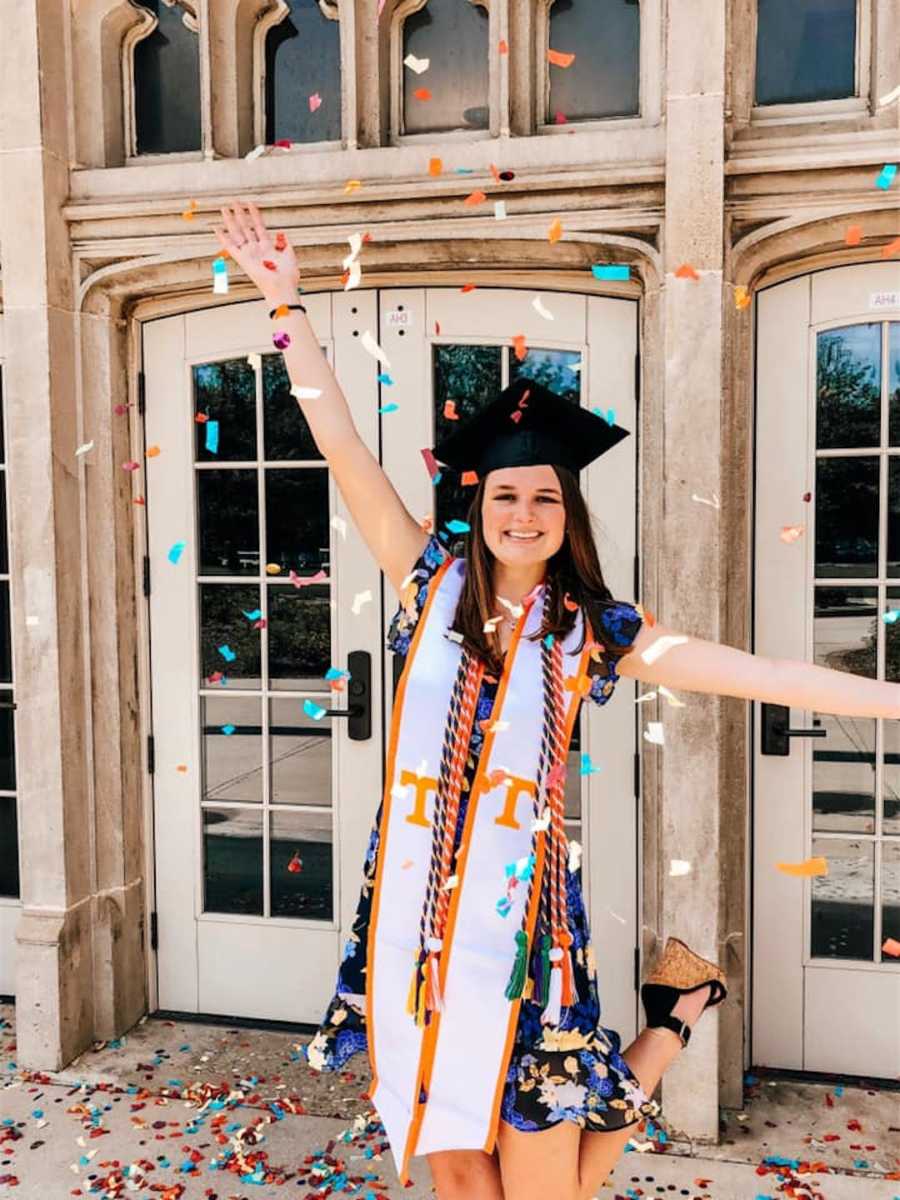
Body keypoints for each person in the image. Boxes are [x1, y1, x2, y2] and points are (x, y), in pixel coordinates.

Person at [214, 202, 899, 1200]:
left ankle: (672, 1019)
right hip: (415, 926)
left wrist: (889, 698)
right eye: (504, 497)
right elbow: (344, 452)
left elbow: (752, 672)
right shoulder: (426, 581)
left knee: (545, 1190)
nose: (524, 513)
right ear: (476, 507)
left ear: (567, 512)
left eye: (544, 498)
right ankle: (679, 1011)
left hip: (525, 935)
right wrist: (286, 303)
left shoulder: (593, 629)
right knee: (456, 1177)